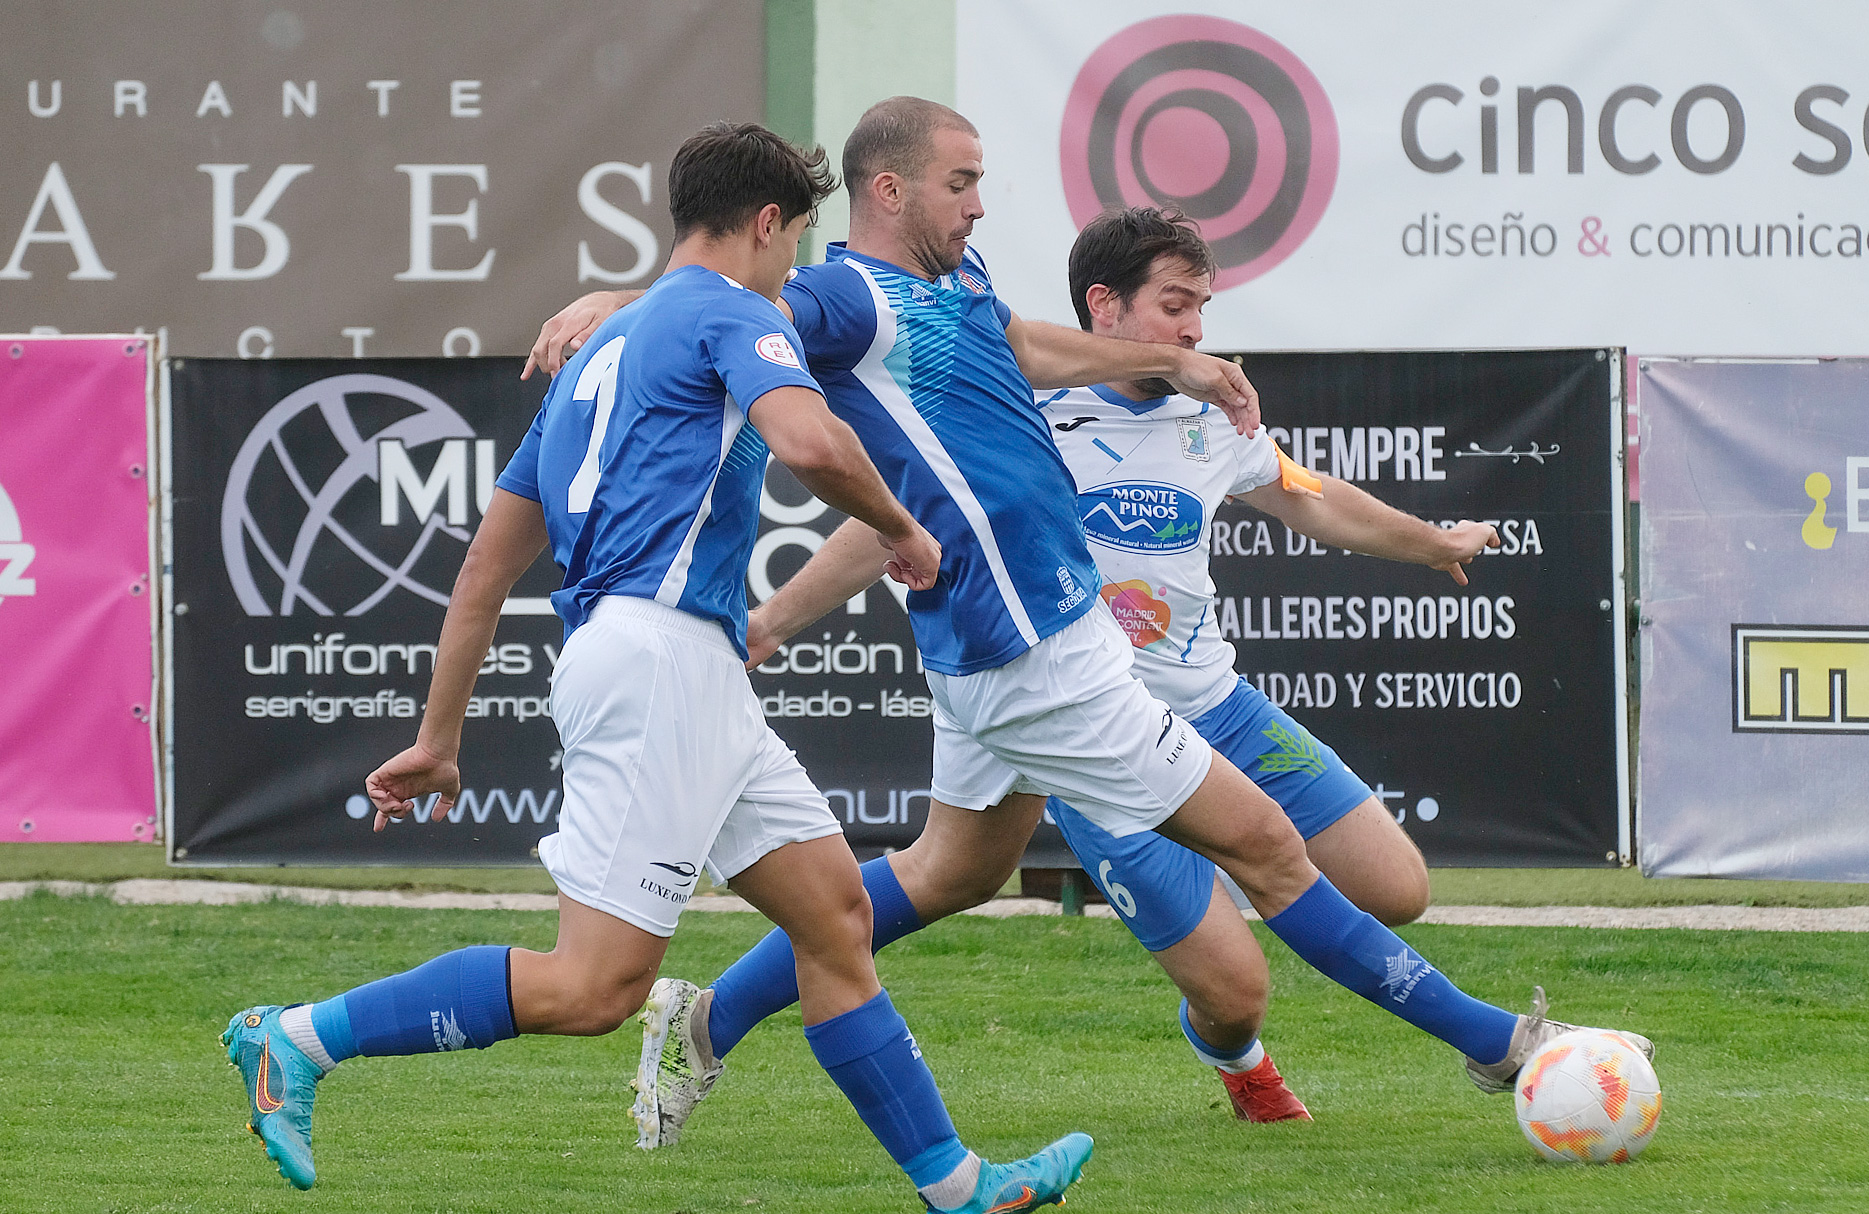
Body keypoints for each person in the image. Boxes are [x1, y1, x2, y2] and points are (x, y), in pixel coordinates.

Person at [524, 99, 1651, 1149]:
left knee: (951, 870)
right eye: (961, 182)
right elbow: (722, 300)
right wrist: (610, 305)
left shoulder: (954, 289)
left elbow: (1028, 342)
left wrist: (1176, 363)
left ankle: (708, 1018)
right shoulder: (846, 296)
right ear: (886, 190)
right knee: (1263, 849)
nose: (979, 203)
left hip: (1002, 652)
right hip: (1036, 654)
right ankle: (1506, 1044)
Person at [220, 123, 1092, 1214]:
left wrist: (442, 736)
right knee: (593, 989)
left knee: (835, 920)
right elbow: (812, 443)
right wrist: (900, 525)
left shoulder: (598, 355)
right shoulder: (729, 310)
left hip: (688, 664)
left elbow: (487, 567)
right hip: (656, 661)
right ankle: (294, 1038)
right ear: (768, 224)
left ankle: (958, 1188)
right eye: (796, 242)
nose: (794, 277)